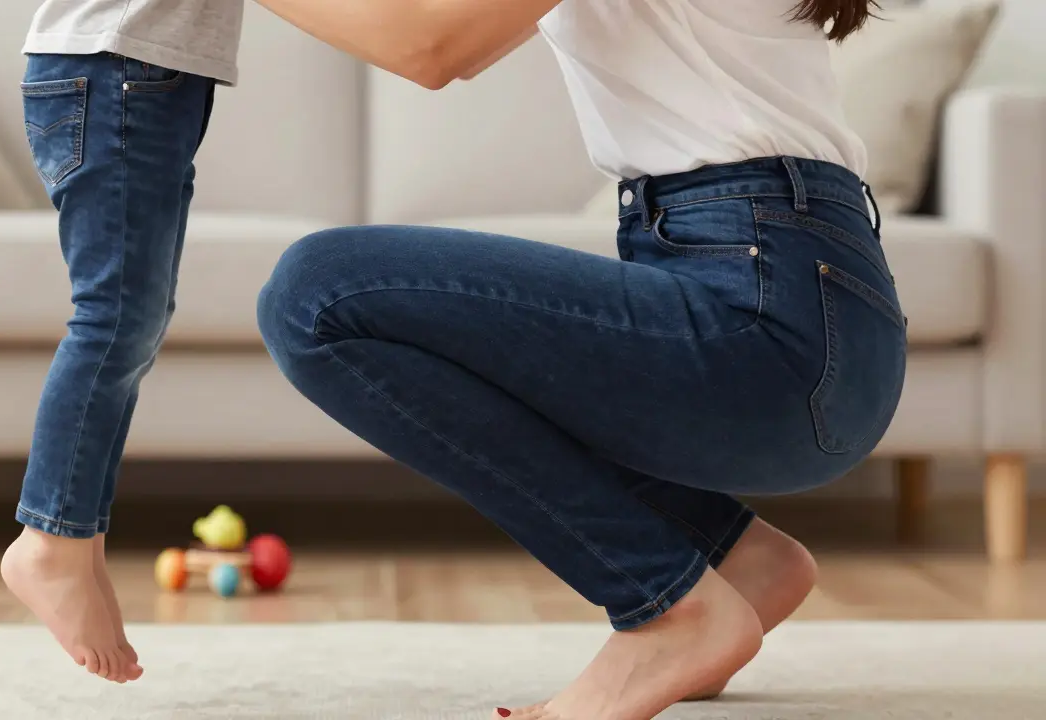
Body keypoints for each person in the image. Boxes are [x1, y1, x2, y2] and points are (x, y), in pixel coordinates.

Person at [255, 0, 904, 717]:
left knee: (316, 294)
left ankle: (666, 605)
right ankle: (732, 557)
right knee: (408, 317)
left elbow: (432, 48)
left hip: (765, 319)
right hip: (819, 315)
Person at [0, 0, 241, 684]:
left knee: (134, 315)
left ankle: (78, 540)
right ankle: (49, 540)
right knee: (112, 316)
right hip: (116, 69)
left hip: (141, 69)